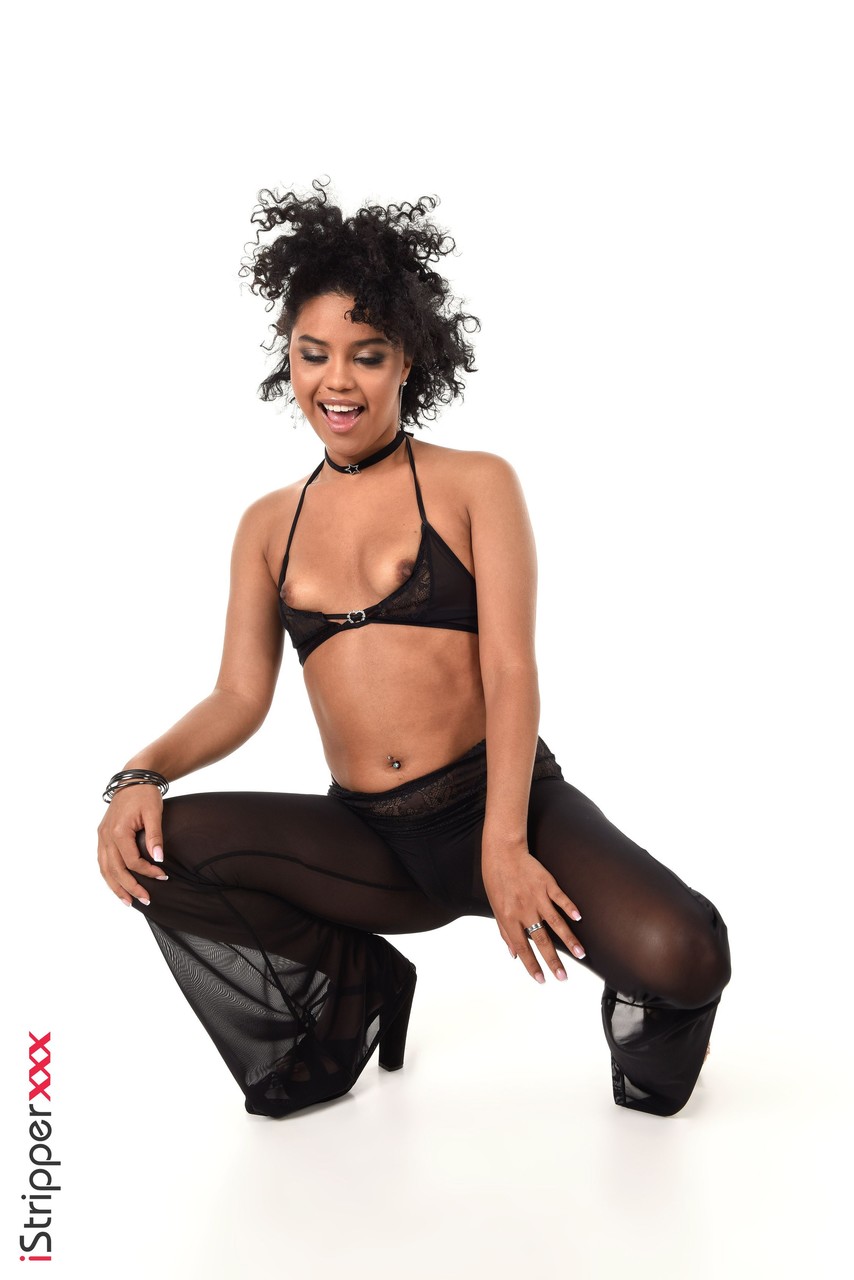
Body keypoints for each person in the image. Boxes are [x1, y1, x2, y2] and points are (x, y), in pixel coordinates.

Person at [97, 181, 731, 1118]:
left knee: (686, 953)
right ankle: (363, 979)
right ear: (288, 357)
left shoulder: (475, 484)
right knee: (158, 846)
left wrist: (505, 845)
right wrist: (139, 774)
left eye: (367, 355)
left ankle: (640, 1050)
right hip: (370, 839)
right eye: (313, 354)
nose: (337, 382)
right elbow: (238, 696)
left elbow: (511, 670)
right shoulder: (268, 525)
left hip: (503, 801)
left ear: (408, 360)